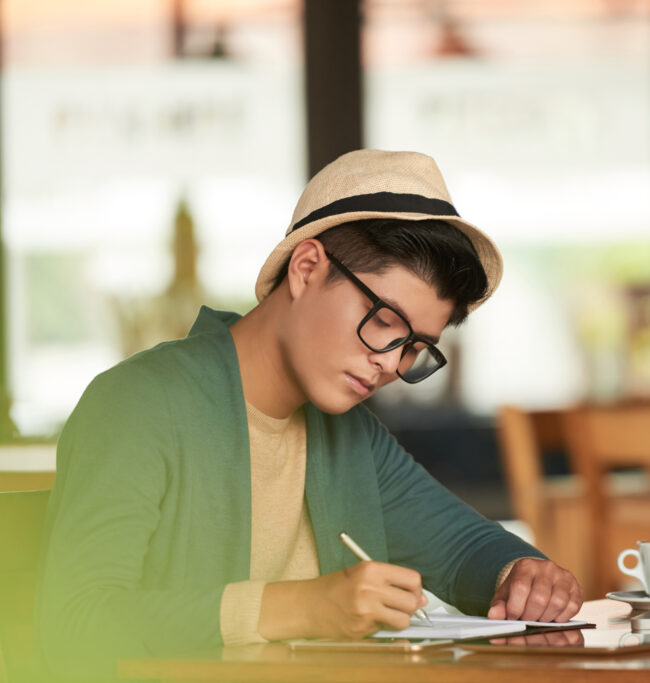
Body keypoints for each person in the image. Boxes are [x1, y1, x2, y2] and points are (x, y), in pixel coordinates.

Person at [34, 150, 583, 681]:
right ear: (306, 268)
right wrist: (303, 607)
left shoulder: (349, 436)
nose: (390, 363)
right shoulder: (141, 403)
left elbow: (466, 549)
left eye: (416, 347)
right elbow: (74, 626)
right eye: (385, 321)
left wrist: (524, 575)